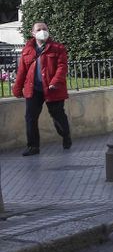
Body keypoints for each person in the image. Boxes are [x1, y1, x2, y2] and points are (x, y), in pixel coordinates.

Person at [13, 21, 70, 155]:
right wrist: (17, 88)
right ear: (33, 33)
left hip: (53, 89)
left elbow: (62, 67)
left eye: (44, 29)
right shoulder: (27, 50)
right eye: (38, 29)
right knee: (30, 118)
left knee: (58, 116)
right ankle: (33, 147)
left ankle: (66, 136)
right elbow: (22, 71)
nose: (42, 31)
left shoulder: (58, 48)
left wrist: (55, 81)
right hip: (34, 89)